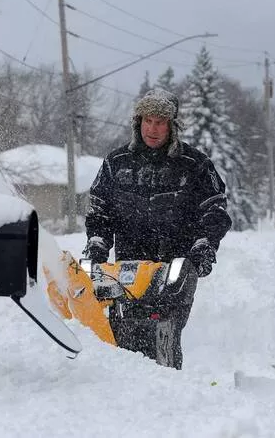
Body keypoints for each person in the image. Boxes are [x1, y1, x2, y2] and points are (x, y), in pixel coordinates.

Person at [83, 88, 232, 369]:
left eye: (160, 122)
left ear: (172, 126)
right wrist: (98, 243)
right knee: (122, 326)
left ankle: (167, 384)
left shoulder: (196, 165)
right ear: (138, 122)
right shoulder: (116, 164)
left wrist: (205, 245)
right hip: (128, 267)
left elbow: (215, 211)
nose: (153, 128)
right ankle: (126, 387)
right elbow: (100, 210)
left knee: (164, 327)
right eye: (148, 120)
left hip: (175, 265)